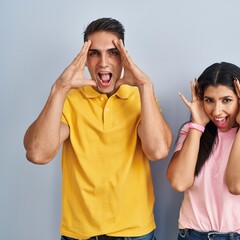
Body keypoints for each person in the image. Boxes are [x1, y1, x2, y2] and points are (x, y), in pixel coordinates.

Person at [23, 17, 172, 240]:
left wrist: (145, 86)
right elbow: (38, 153)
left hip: (135, 233)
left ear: (123, 58)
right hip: (80, 234)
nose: (103, 62)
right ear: (84, 60)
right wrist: (59, 88)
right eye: (94, 53)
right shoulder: (69, 100)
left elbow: (158, 151)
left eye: (112, 52)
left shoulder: (140, 97)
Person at [167, 62, 240, 240]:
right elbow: (179, 183)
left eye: (226, 100)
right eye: (209, 100)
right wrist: (197, 126)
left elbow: (238, 185)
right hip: (193, 236)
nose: (217, 111)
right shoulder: (191, 132)